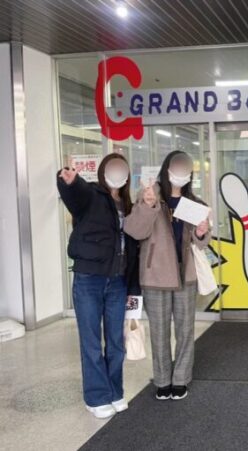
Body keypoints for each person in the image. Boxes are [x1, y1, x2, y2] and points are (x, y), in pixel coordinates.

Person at [57, 153, 140, 419]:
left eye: (122, 169)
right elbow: (74, 194)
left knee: (116, 341)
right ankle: (95, 397)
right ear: (103, 171)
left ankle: (114, 391)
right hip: (89, 279)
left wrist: (132, 286)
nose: (117, 174)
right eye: (113, 168)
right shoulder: (91, 195)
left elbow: (133, 246)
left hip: (117, 281)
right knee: (91, 341)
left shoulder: (128, 205)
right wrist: (70, 181)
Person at [124, 150, 210, 401]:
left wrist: (202, 232)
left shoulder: (194, 203)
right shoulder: (150, 196)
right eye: (177, 167)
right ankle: (162, 380)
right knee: (159, 332)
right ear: (167, 169)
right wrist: (148, 205)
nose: (181, 173)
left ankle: (180, 379)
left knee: (185, 331)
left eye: (185, 169)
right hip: (155, 276)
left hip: (186, 276)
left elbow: (201, 243)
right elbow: (135, 231)